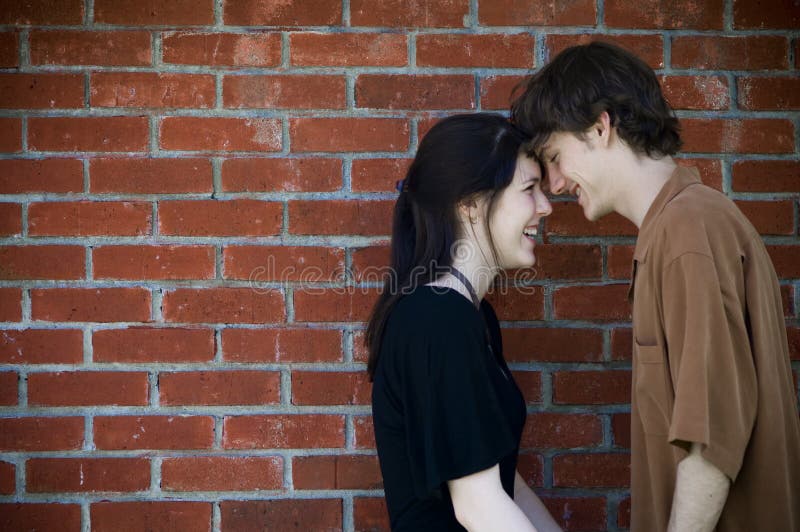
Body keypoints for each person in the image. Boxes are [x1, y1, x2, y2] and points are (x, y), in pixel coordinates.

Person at [511, 41, 800, 532]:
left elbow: (710, 444)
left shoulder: (689, 230)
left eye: (556, 157)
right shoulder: (678, 227)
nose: (555, 185)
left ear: (601, 127)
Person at [366, 113, 562, 532]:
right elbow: (479, 506)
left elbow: (501, 481)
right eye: (529, 189)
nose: (546, 206)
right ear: (470, 204)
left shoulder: (470, 316)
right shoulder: (437, 321)